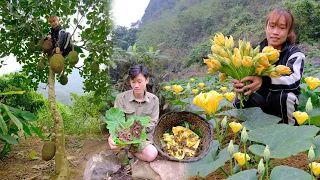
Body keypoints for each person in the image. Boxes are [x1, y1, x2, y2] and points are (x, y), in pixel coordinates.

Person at [232, 9, 305, 125]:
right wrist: (241, 84)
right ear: (265, 27)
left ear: (289, 32)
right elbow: (247, 78)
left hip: (282, 102)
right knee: (239, 99)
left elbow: (294, 81)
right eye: (272, 26)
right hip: (261, 100)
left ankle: (289, 131)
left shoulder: (295, 53)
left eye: (282, 28)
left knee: (283, 98)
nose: (275, 32)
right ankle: (254, 131)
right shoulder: (254, 53)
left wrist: (264, 81)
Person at [108, 64, 159, 162]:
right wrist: (112, 135)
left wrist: (134, 134)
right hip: (124, 136)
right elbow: (115, 121)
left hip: (142, 138)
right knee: (112, 142)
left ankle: (131, 152)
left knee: (152, 154)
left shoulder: (154, 100)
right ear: (130, 81)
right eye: (133, 82)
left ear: (147, 80)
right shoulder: (121, 98)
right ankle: (128, 150)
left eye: (139, 82)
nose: (136, 85)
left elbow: (152, 123)